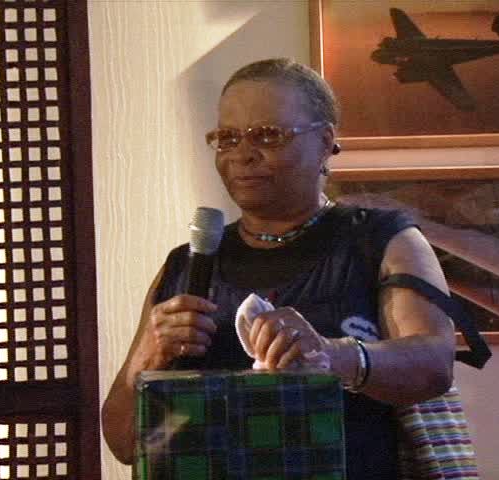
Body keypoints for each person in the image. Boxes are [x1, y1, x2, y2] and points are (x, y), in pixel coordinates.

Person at [101, 58, 456, 478]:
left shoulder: (379, 240)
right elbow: (123, 443)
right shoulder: (187, 264)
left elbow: (434, 365)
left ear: (325, 142)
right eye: (227, 138)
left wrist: (332, 356)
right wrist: (147, 357)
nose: (242, 155)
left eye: (267, 135)